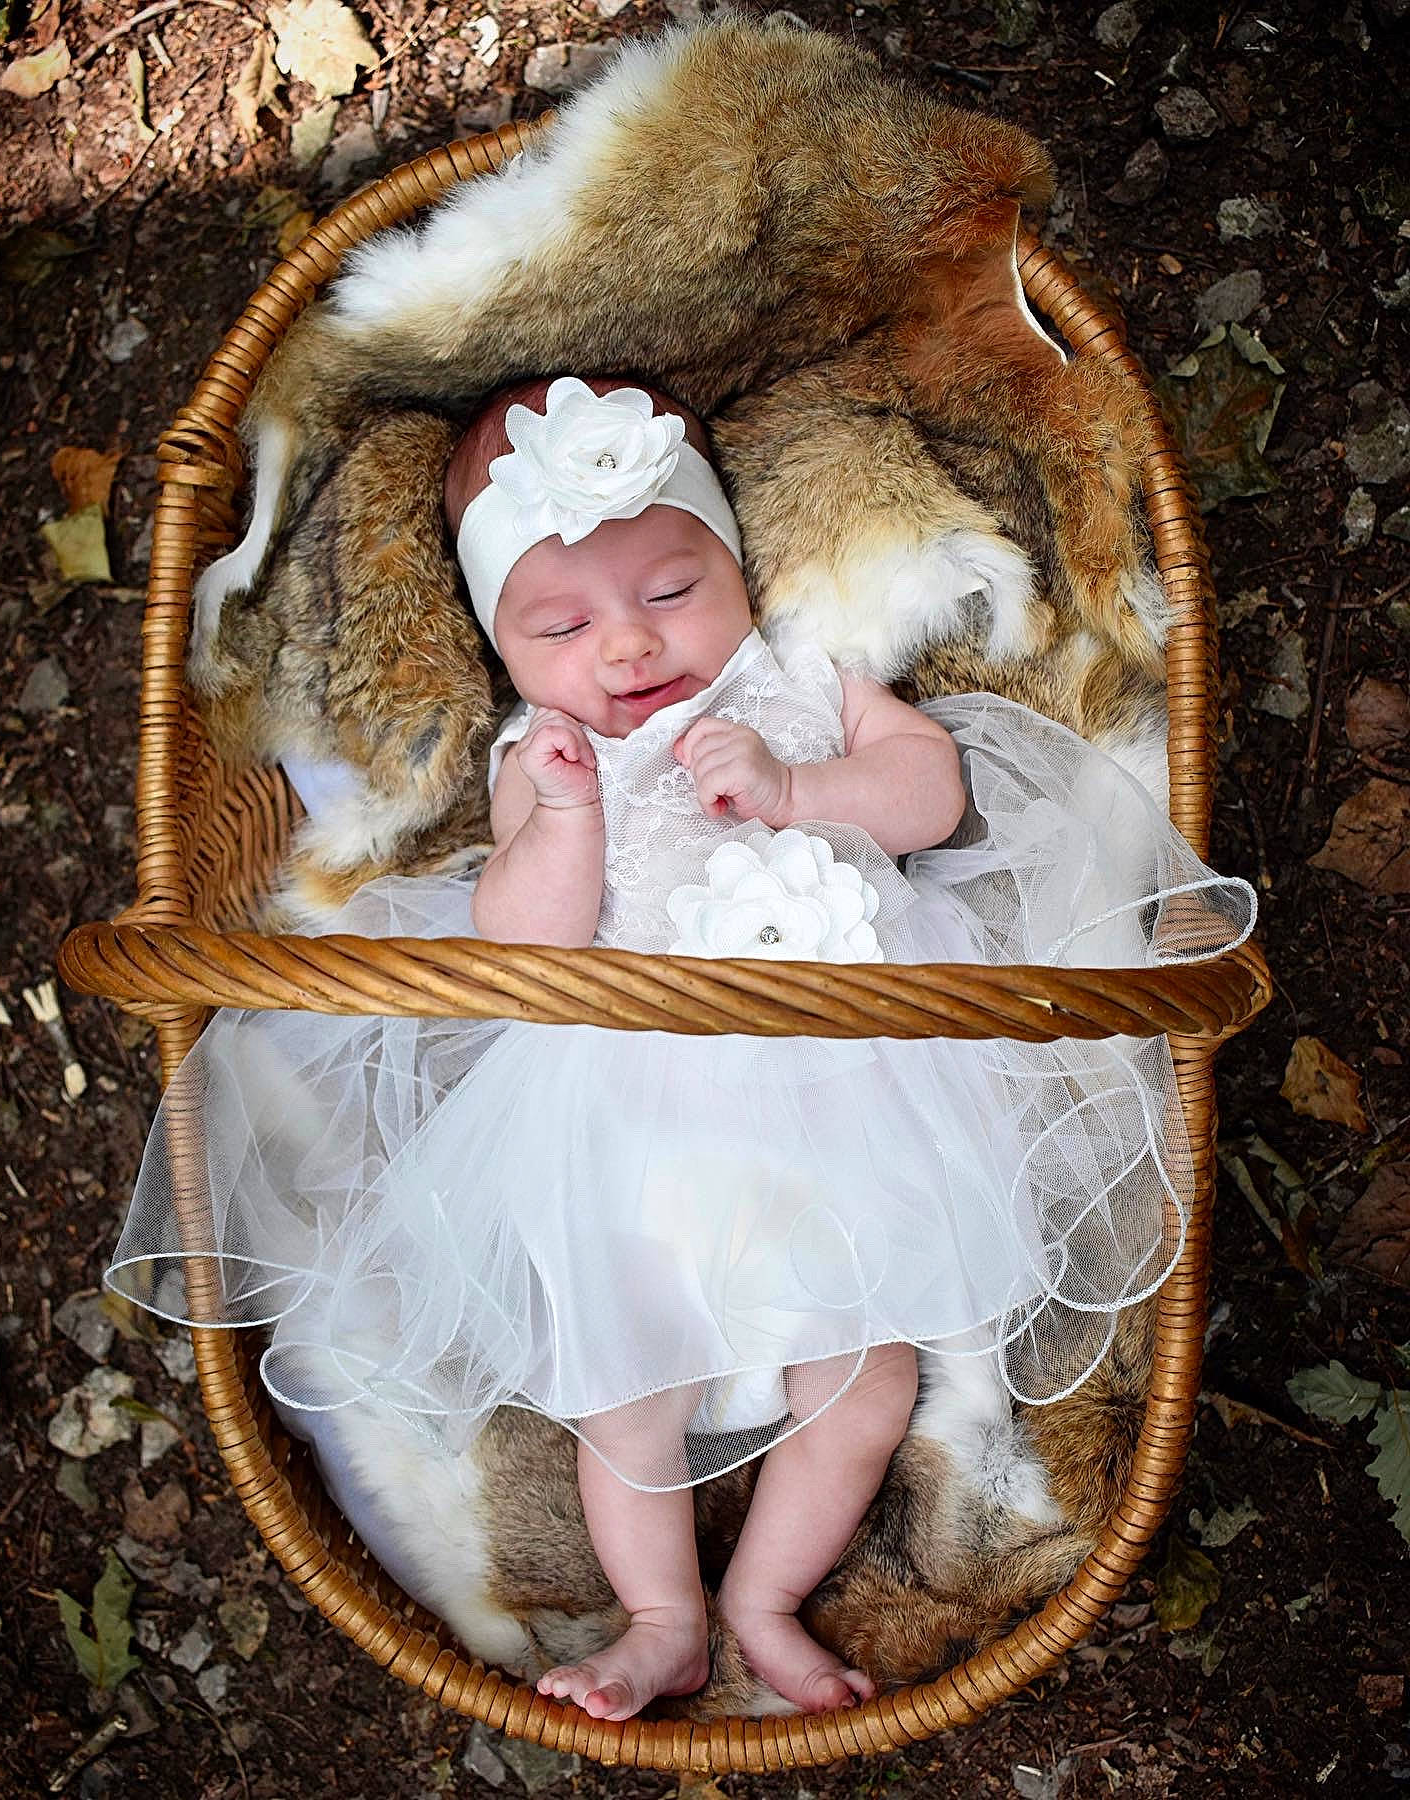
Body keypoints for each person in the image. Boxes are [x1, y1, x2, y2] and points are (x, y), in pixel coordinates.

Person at [109, 376, 1256, 1722]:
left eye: (671, 589)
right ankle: (663, 1617)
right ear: (499, 641)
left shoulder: (805, 673)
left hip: (860, 1089)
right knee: (624, 1389)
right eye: (564, 623)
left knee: (870, 1374)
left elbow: (932, 792)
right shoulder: (538, 754)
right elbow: (517, 941)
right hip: (634, 1122)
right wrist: (569, 828)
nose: (628, 646)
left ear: (733, 562)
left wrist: (798, 789)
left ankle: (766, 1598)